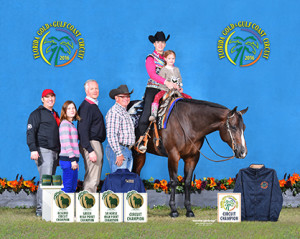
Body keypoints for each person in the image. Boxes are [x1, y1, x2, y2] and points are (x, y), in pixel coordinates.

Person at [137, 31, 179, 151]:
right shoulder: (150, 58)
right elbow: (152, 74)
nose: (160, 44)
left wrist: (176, 85)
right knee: (146, 115)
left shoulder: (167, 58)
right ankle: (140, 140)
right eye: (158, 42)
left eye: (162, 42)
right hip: (154, 88)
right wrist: (166, 82)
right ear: (154, 44)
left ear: (165, 44)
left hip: (167, 89)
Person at [26, 89, 60, 217]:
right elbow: (30, 132)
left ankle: (48, 208)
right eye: (47, 97)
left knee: (50, 180)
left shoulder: (55, 114)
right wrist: (33, 149)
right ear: (42, 99)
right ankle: (41, 210)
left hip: (54, 151)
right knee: (45, 180)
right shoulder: (36, 114)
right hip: (43, 149)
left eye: (52, 96)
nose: (50, 99)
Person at [78, 80, 106, 193]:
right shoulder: (86, 107)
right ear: (86, 90)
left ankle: (87, 204)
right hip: (91, 143)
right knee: (92, 177)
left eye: (96, 88)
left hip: (94, 143)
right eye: (92, 89)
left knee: (93, 175)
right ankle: (87, 207)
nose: (95, 91)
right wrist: (90, 150)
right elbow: (82, 130)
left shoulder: (92, 105)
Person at [149, 50, 192, 122]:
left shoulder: (176, 69)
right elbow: (161, 82)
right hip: (165, 90)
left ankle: (189, 114)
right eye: (169, 58)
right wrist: (168, 85)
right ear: (165, 59)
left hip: (175, 90)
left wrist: (179, 87)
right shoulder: (163, 70)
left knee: (189, 97)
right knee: (156, 97)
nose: (171, 60)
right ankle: (153, 114)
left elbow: (179, 79)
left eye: (173, 58)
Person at [106, 85, 135, 173]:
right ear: (116, 98)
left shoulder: (124, 111)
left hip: (127, 150)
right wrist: (118, 154)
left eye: (128, 96)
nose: (126, 98)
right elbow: (111, 135)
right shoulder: (114, 112)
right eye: (123, 96)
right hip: (120, 149)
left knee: (125, 180)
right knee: (119, 180)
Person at [59, 101, 80, 193]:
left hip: (71, 160)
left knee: (72, 187)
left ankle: (69, 207)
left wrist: (75, 160)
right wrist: (73, 160)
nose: (72, 110)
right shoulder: (64, 124)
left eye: (73, 108)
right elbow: (67, 143)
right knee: (68, 187)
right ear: (65, 111)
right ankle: (61, 206)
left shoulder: (71, 124)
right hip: (68, 160)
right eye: (69, 108)